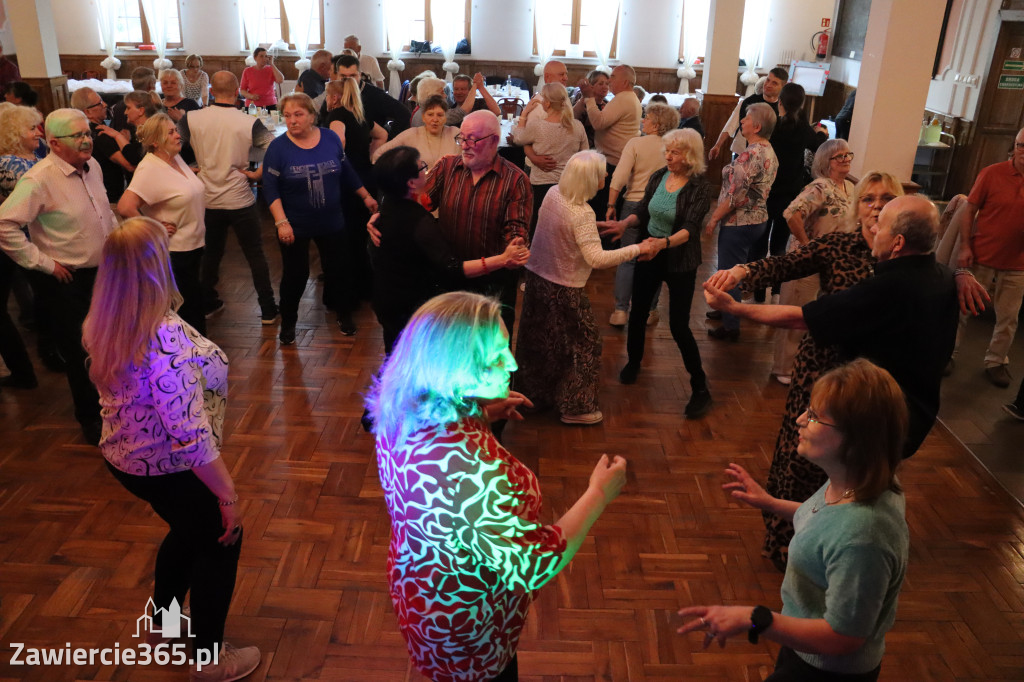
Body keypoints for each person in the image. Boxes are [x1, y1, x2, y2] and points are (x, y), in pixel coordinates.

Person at [366, 290, 627, 682]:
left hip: (422, 585)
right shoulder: (471, 472)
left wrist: (483, 412)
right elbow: (532, 565)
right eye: (496, 356)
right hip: (468, 626)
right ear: (452, 368)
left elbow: (442, 478)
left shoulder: (403, 406)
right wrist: (597, 494)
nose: (513, 362)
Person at [81, 217, 261, 682]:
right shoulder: (164, 337)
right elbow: (190, 436)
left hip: (126, 456)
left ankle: (162, 620)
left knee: (188, 531)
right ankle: (209, 661)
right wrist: (228, 497)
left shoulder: (108, 314)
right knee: (221, 542)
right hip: (168, 464)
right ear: (157, 267)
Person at [679, 359, 909, 682]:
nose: (800, 420)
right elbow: (827, 524)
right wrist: (770, 503)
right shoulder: (853, 482)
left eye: (814, 416)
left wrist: (755, 618)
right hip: (804, 648)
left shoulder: (865, 535)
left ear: (855, 439)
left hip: (826, 671)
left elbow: (844, 637)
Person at [704, 194, 961, 459]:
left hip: (875, 421)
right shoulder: (945, 277)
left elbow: (801, 318)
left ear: (898, 242)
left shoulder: (889, 287)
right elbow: (786, 264)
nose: (874, 225)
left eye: (881, 222)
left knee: (848, 487)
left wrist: (733, 308)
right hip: (910, 418)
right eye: (869, 202)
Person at [0, 108, 118, 444]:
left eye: (88, 133)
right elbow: (4, 224)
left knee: (108, 345)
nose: (86, 140)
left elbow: (102, 213)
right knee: (81, 351)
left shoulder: (92, 167)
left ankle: (115, 407)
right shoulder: (39, 179)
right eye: (77, 136)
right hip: (67, 282)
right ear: (53, 143)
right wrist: (43, 263)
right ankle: (91, 420)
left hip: (104, 275)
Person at [516, 150, 653, 425]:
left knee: (539, 342)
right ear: (590, 178)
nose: (607, 175)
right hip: (564, 288)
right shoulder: (581, 213)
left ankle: (532, 397)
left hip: (536, 280)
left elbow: (563, 231)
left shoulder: (555, 193)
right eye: (603, 172)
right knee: (585, 345)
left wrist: (594, 226)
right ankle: (576, 408)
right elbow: (597, 259)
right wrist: (638, 248)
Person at [370, 146, 529, 354]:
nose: (427, 172)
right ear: (410, 183)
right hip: (412, 310)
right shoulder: (419, 223)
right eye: (422, 168)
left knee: (395, 357)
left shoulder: (387, 207)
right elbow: (453, 267)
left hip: (387, 301)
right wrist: (502, 259)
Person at [599, 129, 713, 418]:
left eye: (674, 152)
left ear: (689, 155)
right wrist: (626, 224)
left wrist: (661, 244)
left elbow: (690, 229)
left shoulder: (699, 187)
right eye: (668, 151)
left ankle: (700, 387)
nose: (668, 156)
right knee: (637, 314)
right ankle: (634, 362)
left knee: (678, 326)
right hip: (650, 252)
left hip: (679, 260)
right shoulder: (660, 175)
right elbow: (644, 209)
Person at [262, 93, 378, 345]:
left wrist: (366, 196)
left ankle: (344, 315)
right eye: (288, 115)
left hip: (331, 220)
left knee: (339, 270)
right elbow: (270, 187)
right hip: (294, 225)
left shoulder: (330, 138)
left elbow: (346, 171)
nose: (292, 120)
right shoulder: (278, 148)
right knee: (295, 274)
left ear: (313, 116)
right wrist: (281, 222)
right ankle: (289, 323)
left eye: (298, 114)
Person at [418, 110, 532, 336]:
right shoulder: (447, 167)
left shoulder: (515, 180)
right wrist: (385, 214)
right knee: (450, 343)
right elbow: (417, 205)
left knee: (491, 350)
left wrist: (515, 247)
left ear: (494, 141)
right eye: (462, 138)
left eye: (473, 139)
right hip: (451, 277)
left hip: (493, 284)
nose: (465, 146)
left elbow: (515, 229)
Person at [178, 70, 278, 325]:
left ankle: (207, 302)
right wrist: (257, 173)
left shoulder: (191, 118)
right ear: (237, 93)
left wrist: (188, 168)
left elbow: (171, 147)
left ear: (211, 91)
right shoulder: (247, 121)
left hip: (207, 197)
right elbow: (274, 149)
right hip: (239, 198)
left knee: (210, 254)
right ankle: (267, 309)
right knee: (255, 253)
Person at [769, 139, 856, 383]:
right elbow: (791, 215)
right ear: (825, 162)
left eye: (848, 155)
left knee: (820, 316)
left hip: (833, 263)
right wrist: (809, 246)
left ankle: (809, 365)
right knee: (797, 314)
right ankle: (784, 369)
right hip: (805, 263)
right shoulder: (819, 187)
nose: (846, 159)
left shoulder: (848, 187)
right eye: (839, 156)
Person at [118, 113, 208, 335]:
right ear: (155, 141)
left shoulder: (174, 159)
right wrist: (153, 226)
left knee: (193, 305)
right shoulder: (150, 168)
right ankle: (191, 359)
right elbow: (125, 206)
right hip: (174, 251)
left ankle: (197, 356)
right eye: (171, 132)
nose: (178, 135)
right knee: (186, 310)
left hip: (192, 245)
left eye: (176, 130)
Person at [952, 127, 1024, 388]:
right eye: (1020, 145)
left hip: (1018, 263)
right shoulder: (992, 173)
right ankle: (949, 353)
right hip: (981, 255)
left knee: (1008, 316)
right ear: (1014, 146)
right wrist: (964, 247)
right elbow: (969, 210)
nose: (1023, 151)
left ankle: (996, 361)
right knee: (961, 309)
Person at [705, 102, 779, 341]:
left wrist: (713, 218)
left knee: (729, 274)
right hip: (758, 220)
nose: (742, 121)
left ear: (756, 126)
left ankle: (731, 325)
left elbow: (735, 196)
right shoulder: (769, 151)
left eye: (746, 118)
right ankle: (725, 309)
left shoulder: (751, 154)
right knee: (736, 270)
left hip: (740, 222)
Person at [750, 82, 827, 304]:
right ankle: (776, 292)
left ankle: (757, 294)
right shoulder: (804, 129)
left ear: (780, 101)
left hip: (767, 192)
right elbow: (818, 145)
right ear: (802, 104)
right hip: (790, 193)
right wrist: (821, 133)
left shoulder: (772, 126)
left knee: (758, 244)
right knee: (779, 246)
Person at [606, 102, 680, 327]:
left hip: (632, 204)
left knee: (628, 258)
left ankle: (620, 311)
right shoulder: (674, 146)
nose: (643, 121)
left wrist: (611, 204)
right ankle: (649, 309)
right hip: (663, 206)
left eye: (646, 118)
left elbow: (619, 176)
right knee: (654, 257)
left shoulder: (636, 143)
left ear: (657, 124)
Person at [0, 104, 43, 390]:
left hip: (34, 241)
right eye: (31, 128)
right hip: (16, 242)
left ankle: (27, 370)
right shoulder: (9, 165)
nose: (38, 132)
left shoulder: (33, 157)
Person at [510, 82, 588, 234]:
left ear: (546, 103)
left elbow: (518, 139)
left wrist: (524, 114)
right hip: (568, 185)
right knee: (563, 232)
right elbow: (585, 154)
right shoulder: (577, 126)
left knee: (540, 230)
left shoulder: (538, 126)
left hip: (541, 185)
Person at [576, 65, 642, 219]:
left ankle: (603, 238)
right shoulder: (626, 98)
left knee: (602, 206)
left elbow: (598, 123)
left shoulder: (624, 98)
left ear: (625, 82)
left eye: (613, 77)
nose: (609, 81)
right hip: (615, 159)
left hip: (613, 162)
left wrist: (590, 98)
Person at [316, 54, 411, 140]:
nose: (349, 81)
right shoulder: (334, 93)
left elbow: (404, 114)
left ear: (360, 75)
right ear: (337, 76)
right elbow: (322, 120)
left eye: (353, 76)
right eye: (343, 77)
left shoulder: (375, 95)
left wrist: (389, 142)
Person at [708, 67, 787, 161]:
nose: (768, 85)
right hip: (744, 151)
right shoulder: (749, 102)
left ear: (783, 86)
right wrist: (718, 145)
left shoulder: (782, 107)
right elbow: (732, 124)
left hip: (768, 156)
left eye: (774, 83)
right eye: (768, 80)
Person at [71, 86, 133, 203]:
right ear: (87, 112)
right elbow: (129, 165)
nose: (105, 105)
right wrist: (125, 142)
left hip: (91, 190)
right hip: (109, 195)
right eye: (99, 103)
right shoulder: (101, 134)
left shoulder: (78, 130)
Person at [371, 95, 460, 171]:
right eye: (430, 114)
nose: (435, 119)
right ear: (423, 117)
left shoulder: (455, 133)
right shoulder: (412, 134)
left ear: (445, 118)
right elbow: (378, 155)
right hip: (419, 188)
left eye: (440, 115)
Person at [120, 90, 163, 168]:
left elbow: (136, 157)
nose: (125, 112)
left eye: (128, 108)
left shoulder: (151, 131)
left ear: (141, 111)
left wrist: (117, 136)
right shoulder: (143, 130)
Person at [111, 67, 157, 135]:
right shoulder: (154, 106)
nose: (126, 112)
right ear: (151, 86)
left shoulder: (118, 106)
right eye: (154, 83)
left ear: (132, 84)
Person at [572, 70, 610, 149]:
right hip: (584, 147)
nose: (605, 87)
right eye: (600, 84)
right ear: (591, 86)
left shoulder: (607, 103)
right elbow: (571, 119)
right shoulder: (583, 103)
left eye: (607, 84)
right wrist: (586, 96)